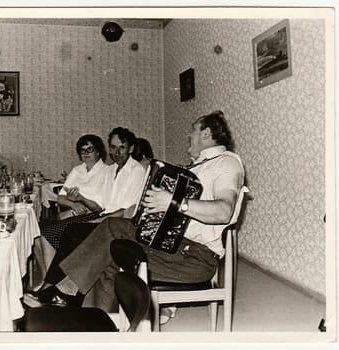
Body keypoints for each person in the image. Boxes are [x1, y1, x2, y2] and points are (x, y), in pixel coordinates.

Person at [25, 111, 245, 313]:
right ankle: (102, 323)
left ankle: (64, 294)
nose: (189, 136)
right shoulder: (198, 166)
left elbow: (224, 211)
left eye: (193, 132)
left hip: (194, 258)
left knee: (110, 229)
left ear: (206, 134)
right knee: (108, 246)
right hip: (172, 246)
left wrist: (172, 202)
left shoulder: (227, 164)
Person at [28, 126, 146, 297]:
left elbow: (126, 210)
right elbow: (102, 203)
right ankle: (53, 286)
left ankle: (54, 288)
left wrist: (95, 220)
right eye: (113, 147)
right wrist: (80, 210)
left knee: (72, 231)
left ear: (131, 148)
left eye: (121, 147)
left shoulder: (135, 171)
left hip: (119, 222)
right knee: (67, 231)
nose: (117, 152)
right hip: (103, 215)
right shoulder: (112, 169)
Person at [39, 134, 109, 249]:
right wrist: (74, 205)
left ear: (98, 151)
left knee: (46, 234)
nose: (86, 153)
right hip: (73, 212)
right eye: (83, 150)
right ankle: (45, 268)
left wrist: (81, 199)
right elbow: (60, 198)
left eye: (90, 149)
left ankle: (52, 266)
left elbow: (99, 208)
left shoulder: (106, 172)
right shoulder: (77, 170)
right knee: (35, 232)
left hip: (92, 216)